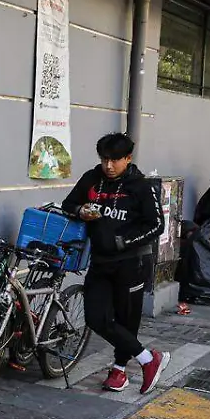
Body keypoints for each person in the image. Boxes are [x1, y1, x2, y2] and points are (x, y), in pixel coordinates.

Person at [61, 132, 169, 393]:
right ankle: (148, 358)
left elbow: (156, 225)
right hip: (99, 260)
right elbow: (69, 203)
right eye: (104, 159)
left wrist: (124, 241)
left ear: (128, 158)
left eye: (115, 160)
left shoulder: (141, 186)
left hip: (132, 262)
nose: (109, 166)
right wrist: (80, 211)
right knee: (96, 318)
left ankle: (119, 370)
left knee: (126, 319)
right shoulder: (92, 178)